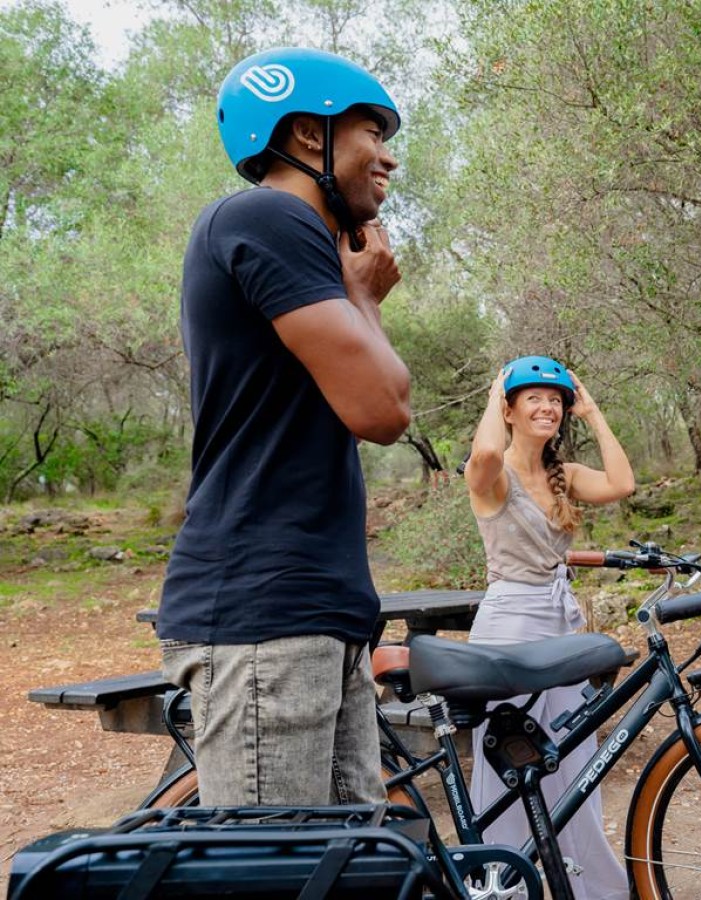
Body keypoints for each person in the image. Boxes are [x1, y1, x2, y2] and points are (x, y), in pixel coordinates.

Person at [155, 47, 412, 807]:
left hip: (312, 611)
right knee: (281, 872)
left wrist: (354, 294)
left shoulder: (295, 240)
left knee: (353, 870)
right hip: (265, 617)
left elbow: (378, 400)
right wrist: (364, 301)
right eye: (373, 129)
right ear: (308, 136)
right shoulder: (266, 215)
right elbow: (384, 410)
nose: (388, 156)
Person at [463, 355, 635, 900]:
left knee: (570, 756)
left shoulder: (564, 477)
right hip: (508, 627)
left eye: (556, 400)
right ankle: (504, 882)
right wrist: (494, 393)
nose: (548, 407)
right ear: (510, 409)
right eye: (533, 397)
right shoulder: (490, 476)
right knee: (507, 759)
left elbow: (623, 482)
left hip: (560, 627)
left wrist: (592, 412)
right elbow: (487, 449)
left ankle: (576, 885)